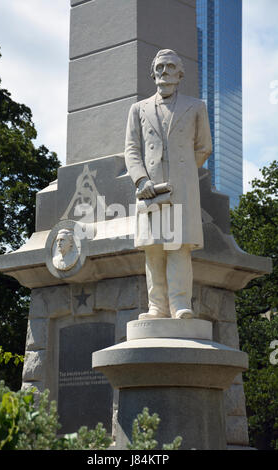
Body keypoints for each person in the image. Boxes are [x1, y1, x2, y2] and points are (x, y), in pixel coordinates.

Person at [124, 49, 212, 319]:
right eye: (160, 67)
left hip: (180, 190)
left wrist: (182, 173)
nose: (165, 71)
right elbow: (132, 149)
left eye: (170, 66)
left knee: (178, 247)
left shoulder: (196, 106)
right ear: (153, 73)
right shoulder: (138, 109)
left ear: (180, 73)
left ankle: (180, 304)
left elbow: (204, 147)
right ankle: (157, 306)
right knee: (154, 250)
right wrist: (142, 179)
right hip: (149, 191)